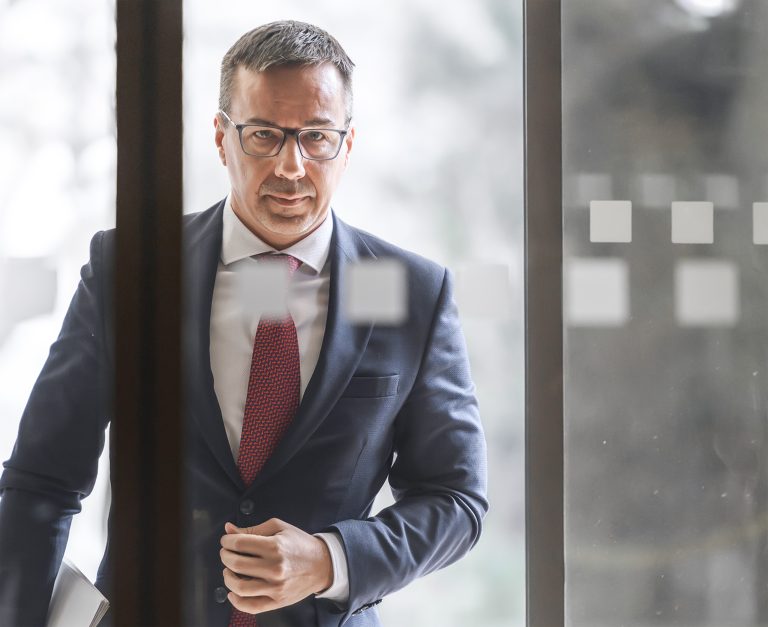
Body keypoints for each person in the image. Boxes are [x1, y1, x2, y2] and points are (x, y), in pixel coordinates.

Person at [0, 20, 488, 626]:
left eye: (316, 137)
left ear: (347, 144)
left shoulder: (412, 293)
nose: (291, 166)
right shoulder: (130, 271)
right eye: (264, 136)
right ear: (220, 137)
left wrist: (330, 559)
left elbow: (456, 499)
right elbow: (42, 480)